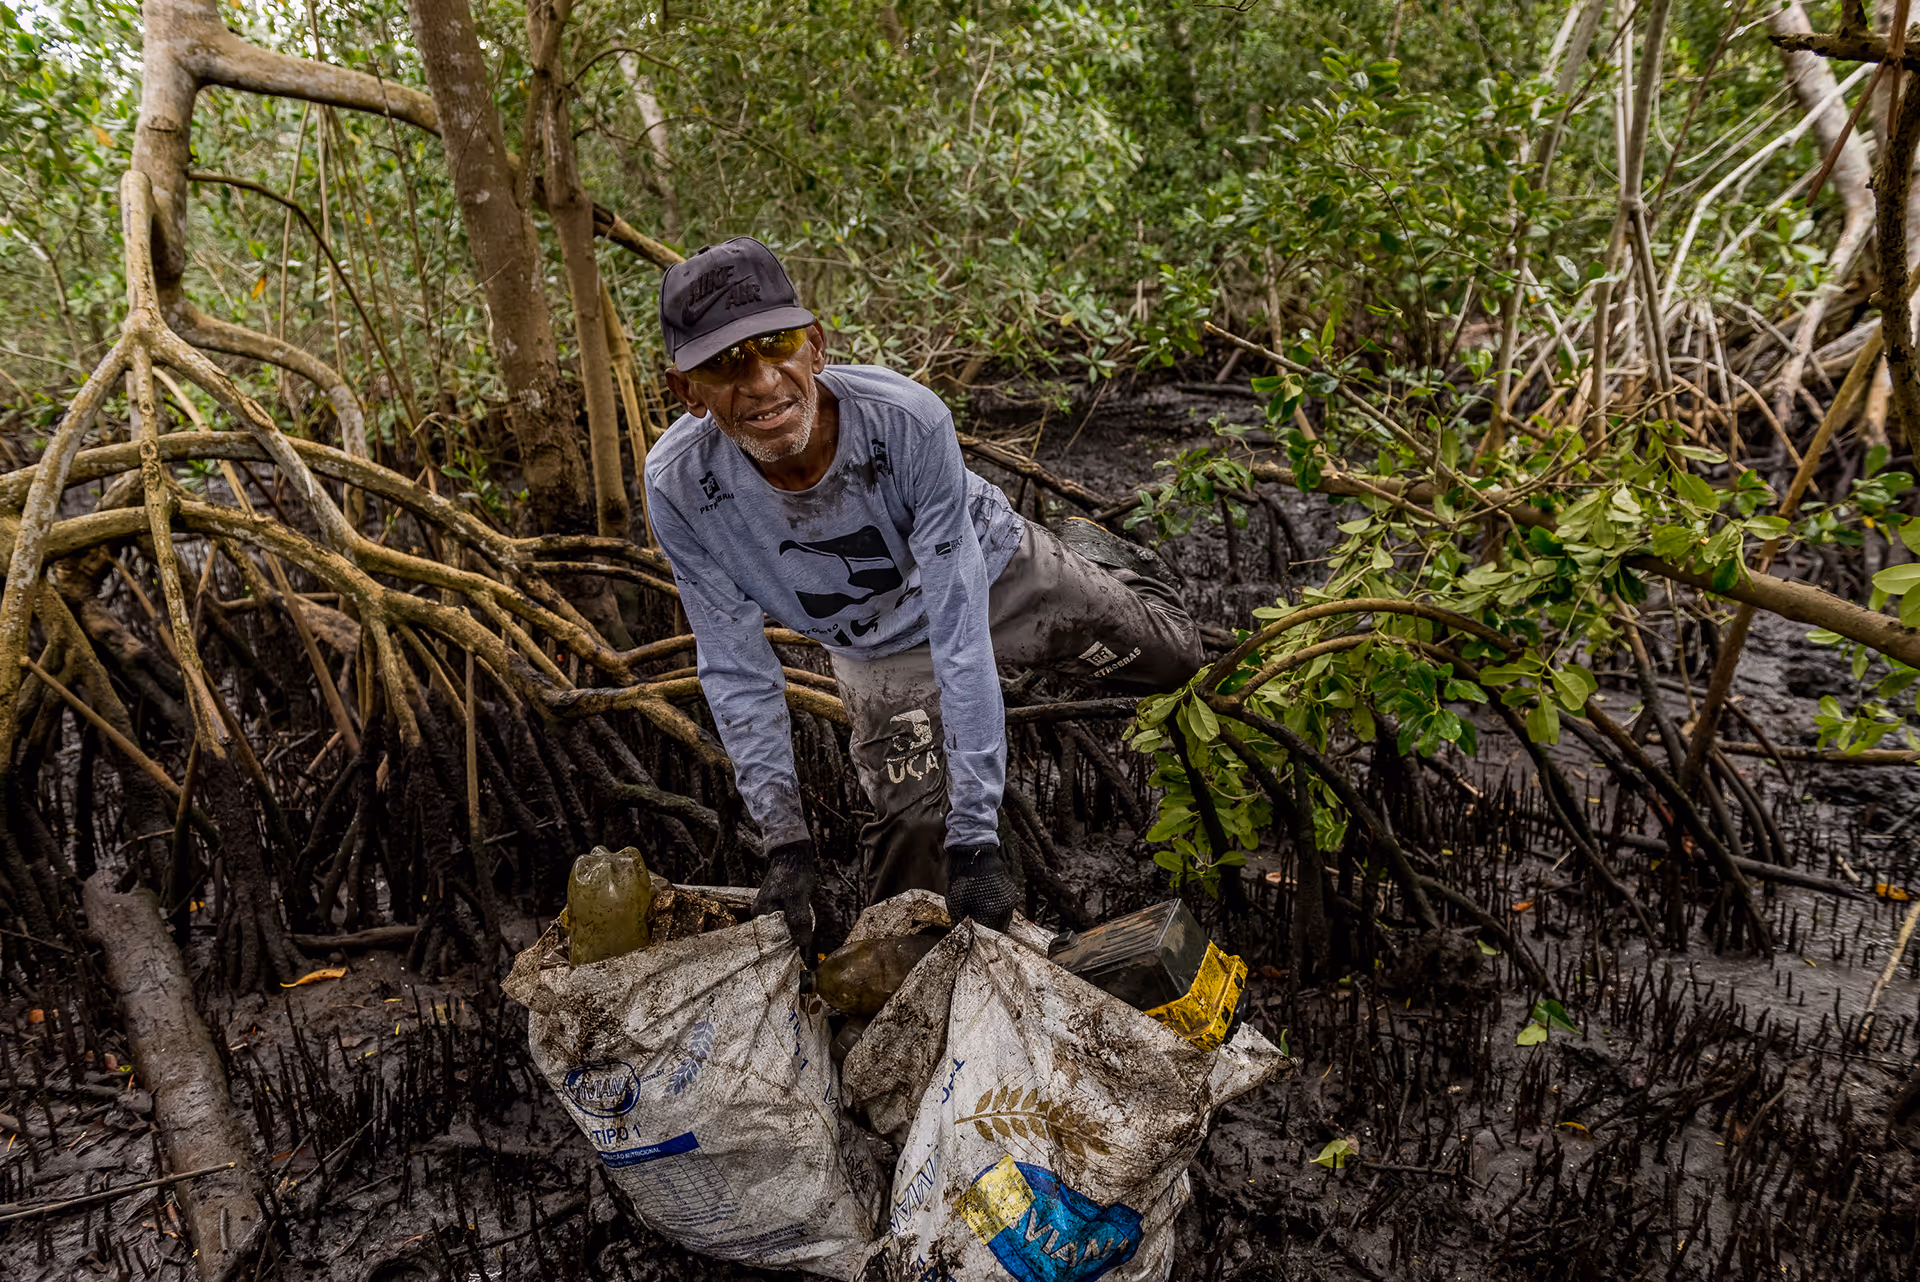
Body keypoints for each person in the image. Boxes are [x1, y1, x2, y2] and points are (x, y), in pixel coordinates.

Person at [645, 237, 1203, 953]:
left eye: (775, 344)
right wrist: (785, 845)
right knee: (913, 855)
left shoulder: (907, 422)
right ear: (686, 392)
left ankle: (1092, 550)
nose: (758, 381)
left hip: (995, 571)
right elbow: (734, 667)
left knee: (1175, 660)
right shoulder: (680, 487)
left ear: (815, 347)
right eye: (722, 364)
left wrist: (977, 836)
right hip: (875, 645)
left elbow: (960, 627)